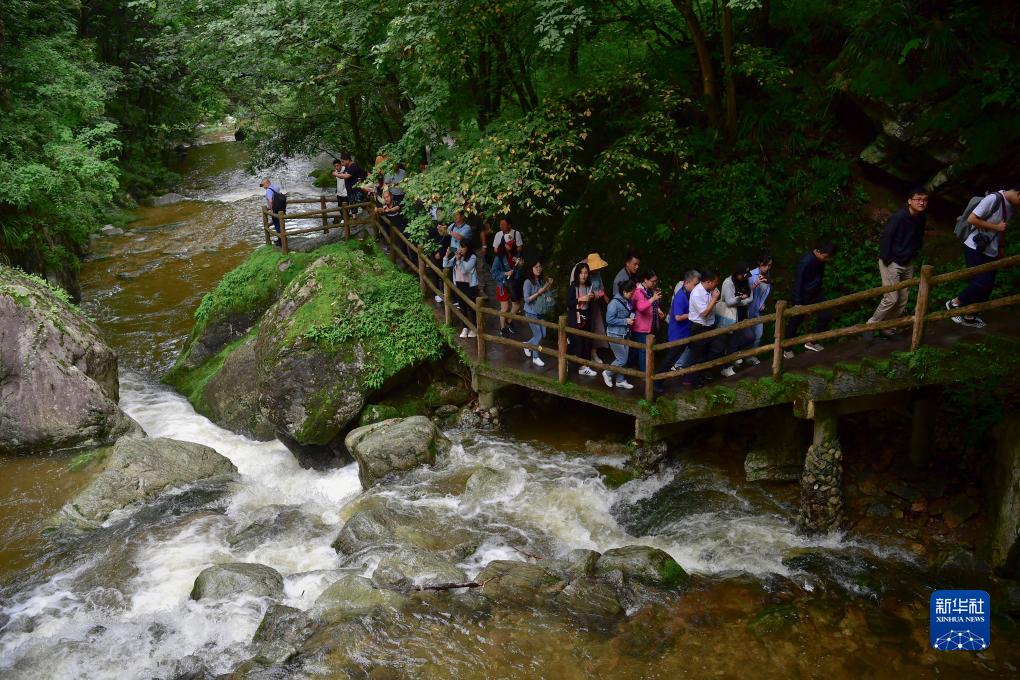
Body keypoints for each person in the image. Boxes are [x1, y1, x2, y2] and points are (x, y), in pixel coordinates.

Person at [946, 185, 1019, 328]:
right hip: (974, 247)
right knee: (980, 283)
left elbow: (1003, 229)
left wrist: (1001, 249)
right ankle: (954, 303)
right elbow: (972, 219)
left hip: (991, 250)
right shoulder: (993, 199)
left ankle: (970, 315)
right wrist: (996, 227)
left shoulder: (1011, 207)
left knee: (987, 286)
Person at [866, 187, 929, 338]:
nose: (922, 202)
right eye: (918, 199)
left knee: (902, 300)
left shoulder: (921, 218)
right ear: (909, 201)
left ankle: (888, 328)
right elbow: (886, 236)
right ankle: (870, 326)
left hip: (908, 262)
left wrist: (913, 254)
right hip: (892, 262)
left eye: (925, 200)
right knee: (891, 298)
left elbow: (918, 238)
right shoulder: (899, 217)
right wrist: (887, 258)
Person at [785, 242, 836, 357]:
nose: (826, 259)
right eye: (825, 256)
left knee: (826, 315)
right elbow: (798, 281)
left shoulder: (821, 261)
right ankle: (786, 349)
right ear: (817, 251)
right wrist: (797, 302)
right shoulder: (806, 262)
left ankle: (812, 341)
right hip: (802, 296)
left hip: (815, 294)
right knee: (795, 322)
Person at [656, 269, 700, 392]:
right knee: (671, 359)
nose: (697, 287)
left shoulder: (690, 293)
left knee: (696, 352)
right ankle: (657, 382)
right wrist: (693, 313)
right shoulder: (680, 296)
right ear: (686, 283)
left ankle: (690, 378)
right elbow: (678, 317)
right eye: (695, 284)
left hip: (688, 332)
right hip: (678, 334)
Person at [715, 262, 754, 377]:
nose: (745, 277)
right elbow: (729, 301)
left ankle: (733, 354)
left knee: (749, 337)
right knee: (731, 341)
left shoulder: (746, 280)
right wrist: (741, 299)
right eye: (743, 275)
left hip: (743, 315)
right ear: (737, 274)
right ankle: (726, 367)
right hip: (731, 316)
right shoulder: (728, 283)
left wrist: (742, 300)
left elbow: (750, 297)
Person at [686, 270, 723, 387]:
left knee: (717, 348)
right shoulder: (696, 293)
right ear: (708, 282)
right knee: (697, 355)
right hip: (699, 327)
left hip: (710, 326)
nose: (717, 284)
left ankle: (705, 371)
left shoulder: (709, 290)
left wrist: (713, 298)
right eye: (715, 282)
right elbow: (704, 313)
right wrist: (714, 299)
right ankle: (695, 381)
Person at [490, 217, 524, 337]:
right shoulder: (498, 258)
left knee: (516, 305)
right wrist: (505, 273)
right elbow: (493, 273)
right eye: (508, 245)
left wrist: (519, 264)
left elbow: (518, 270)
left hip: (513, 283)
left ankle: (509, 321)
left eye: (511, 244)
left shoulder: (514, 255)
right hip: (503, 284)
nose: (510, 246)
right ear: (504, 245)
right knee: (504, 307)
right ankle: (502, 327)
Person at [603, 280, 637, 390]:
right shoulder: (614, 303)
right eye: (631, 293)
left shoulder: (627, 300)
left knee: (624, 358)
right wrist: (625, 321)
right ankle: (607, 373)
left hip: (625, 333)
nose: (632, 295)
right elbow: (609, 319)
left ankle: (620, 380)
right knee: (622, 359)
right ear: (624, 291)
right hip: (615, 334)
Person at [567, 263, 599, 377]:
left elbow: (591, 302)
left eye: (586, 273)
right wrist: (580, 299)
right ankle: (578, 365)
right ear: (577, 274)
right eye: (581, 273)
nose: (584, 275)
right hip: (575, 316)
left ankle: (584, 366)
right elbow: (569, 303)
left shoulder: (588, 286)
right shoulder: (573, 287)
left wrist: (592, 297)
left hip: (586, 316)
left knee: (586, 341)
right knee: (578, 341)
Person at [443, 238, 479, 338]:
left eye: (463, 247)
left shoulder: (472, 257)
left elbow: (464, 270)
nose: (460, 249)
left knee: (471, 308)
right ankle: (465, 327)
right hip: (458, 284)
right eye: (460, 246)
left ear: (468, 248)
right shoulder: (457, 257)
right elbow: (445, 264)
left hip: (469, 286)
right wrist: (447, 254)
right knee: (462, 307)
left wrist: (459, 260)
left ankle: (475, 328)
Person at [522, 257, 554, 367]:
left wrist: (548, 285)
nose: (539, 269)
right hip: (530, 312)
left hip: (541, 312)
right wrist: (539, 292)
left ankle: (527, 345)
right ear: (531, 268)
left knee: (543, 334)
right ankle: (535, 357)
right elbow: (526, 299)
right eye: (536, 267)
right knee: (538, 335)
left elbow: (545, 293)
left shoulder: (540, 280)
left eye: (540, 266)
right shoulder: (527, 282)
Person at [630, 270, 663, 372]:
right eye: (653, 281)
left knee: (639, 350)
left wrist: (658, 310)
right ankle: (645, 374)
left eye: (656, 281)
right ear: (645, 280)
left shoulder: (650, 289)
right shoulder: (638, 291)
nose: (655, 283)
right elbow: (641, 307)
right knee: (643, 351)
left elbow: (652, 304)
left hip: (649, 325)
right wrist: (653, 298)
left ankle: (632, 367)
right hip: (640, 327)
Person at [746, 253, 773, 365]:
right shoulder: (751, 274)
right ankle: (737, 358)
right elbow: (743, 293)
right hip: (747, 310)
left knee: (758, 334)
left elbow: (763, 293)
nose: (767, 268)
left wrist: (763, 303)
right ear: (759, 264)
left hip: (757, 311)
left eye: (770, 265)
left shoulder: (768, 276)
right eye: (765, 265)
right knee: (746, 336)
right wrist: (755, 284)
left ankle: (751, 356)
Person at [584, 253, 610, 362]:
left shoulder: (597, 274)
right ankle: (585, 355)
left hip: (595, 304)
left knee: (597, 328)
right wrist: (595, 295)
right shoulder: (584, 274)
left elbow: (602, 290)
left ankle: (594, 353)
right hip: (585, 305)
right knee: (586, 328)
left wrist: (608, 301)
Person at [260, 178, 284, 246]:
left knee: (277, 225)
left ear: (267, 183)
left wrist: (271, 210)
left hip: (275, 210)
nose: (263, 186)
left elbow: (270, 200)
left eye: (263, 185)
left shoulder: (268, 190)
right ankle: (280, 239)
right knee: (280, 224)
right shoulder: (275, 187)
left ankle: (281, 242)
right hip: (280, 208)